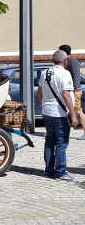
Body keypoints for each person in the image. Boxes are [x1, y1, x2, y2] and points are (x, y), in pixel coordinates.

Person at [37, 50, 78, 182]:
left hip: (47, 111)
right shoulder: (65, 74)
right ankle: (60, 172)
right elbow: (66, 95)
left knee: (50, 141)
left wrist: (45, 103)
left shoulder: (45, 72)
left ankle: (49, 170)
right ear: (65, 61)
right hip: (59, 113)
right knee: (61, 143)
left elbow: (39, 93)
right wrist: (73, 115)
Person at [59, 44, 85, 140]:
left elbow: (76, 76)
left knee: (78, 111)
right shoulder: (67, 61)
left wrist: (74, 90)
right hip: (71, 90)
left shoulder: (72, 61)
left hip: (75, 90)